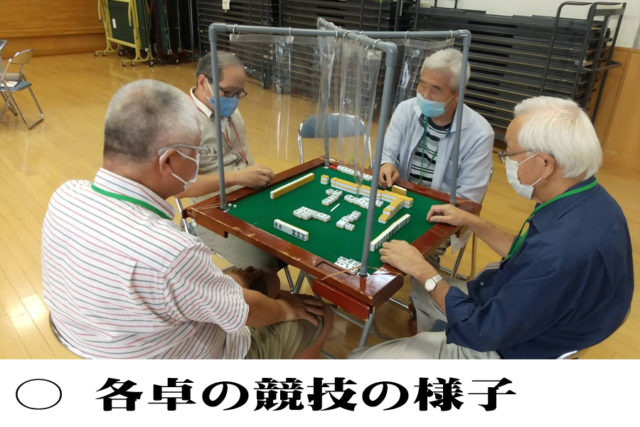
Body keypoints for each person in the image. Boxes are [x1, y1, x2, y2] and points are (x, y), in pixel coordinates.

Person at [42, 79, 332, 359]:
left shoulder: (66, 194)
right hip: (185, 357)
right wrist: (285, 310)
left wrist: (233, 283)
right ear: (167, 160)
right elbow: (250, 312)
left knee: (263, 279)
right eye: (196, 153)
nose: (197, 163)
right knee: (319, 316)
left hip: (93, 341)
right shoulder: (171, 251)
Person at [351, 96, 633, 359]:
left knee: (360, 359)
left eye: (511, 153)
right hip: (523, 311)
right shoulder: (591, 200)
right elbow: (527, 251)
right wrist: (471, 220)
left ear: (545, 164)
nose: (506, 160)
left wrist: (422, 269)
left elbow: (482, 330)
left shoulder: (559, 252)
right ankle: (432, 337)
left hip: (504, 346)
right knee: (422, 289)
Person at [180, 51, 280, 270]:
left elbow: (240, 158)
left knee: (299, 239)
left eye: (239, 93)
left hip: (248, 197)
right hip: (212, 214)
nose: (233, 100)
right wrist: (237, 177)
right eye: (228, 92)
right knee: (263, 264)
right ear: (203, 82)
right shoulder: (181, 122)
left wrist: (255, 175)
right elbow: (180, 187)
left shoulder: (229, 110)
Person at [379, 48, 494, 204]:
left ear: (458, 94)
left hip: (443, 208)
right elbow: (387, 153)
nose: (425, 96)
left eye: (436, 89)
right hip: (399, 198)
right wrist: (386, 164)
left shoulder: (480, 134)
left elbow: (468, 198)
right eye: (422, 85)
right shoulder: (405, 110)